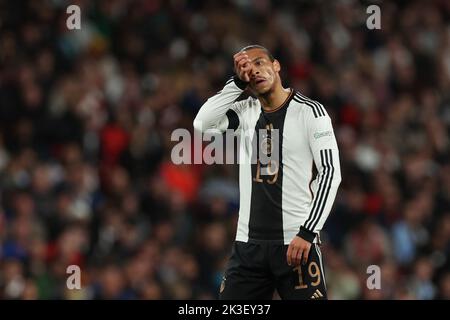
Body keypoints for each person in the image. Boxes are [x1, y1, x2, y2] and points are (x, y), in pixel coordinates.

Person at [193, 45, 341, 300]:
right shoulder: (247, 112)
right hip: (248, 247)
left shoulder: (311, 112)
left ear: (277, 65)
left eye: (260, 63)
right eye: (248, 69)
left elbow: (330, 173)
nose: (256, 71)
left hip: (296, 243)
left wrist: (308, 232)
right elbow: (202, 125)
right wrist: (236, 84)